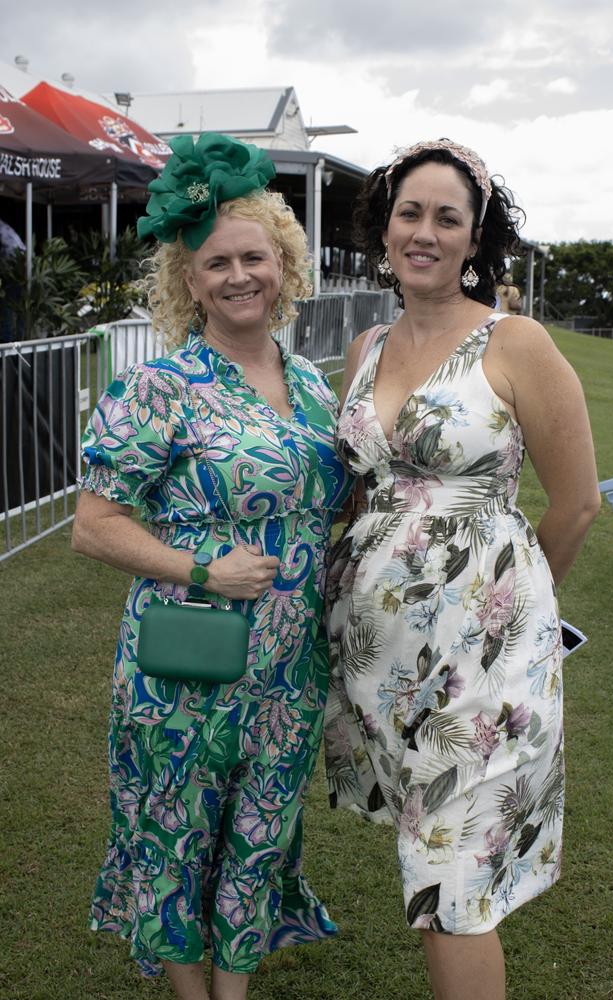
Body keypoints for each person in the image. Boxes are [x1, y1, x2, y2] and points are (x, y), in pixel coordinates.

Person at [72, 132, 351, 1000]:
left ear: (284, 265)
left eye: (254, 257)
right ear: (187, 283)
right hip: (187, 664)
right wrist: (202, 568)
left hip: (289, 667)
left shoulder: (310, 384)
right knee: (175, 833)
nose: (239, 276)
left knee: (260, 831)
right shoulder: (159, 389)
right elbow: (93, 526)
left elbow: (331, 503)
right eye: (217, 263)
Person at [324, 138, 600, 1000]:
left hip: (488, 671)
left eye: (449, 217)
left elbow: (578, 501)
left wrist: (512, 611)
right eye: (411, 212)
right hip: (384, 665)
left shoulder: (516, 343)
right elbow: (357, 491)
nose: (426, 232)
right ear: (385, 225)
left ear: (476, 239)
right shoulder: (367, 344)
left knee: (451, 886)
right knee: (432, 859)